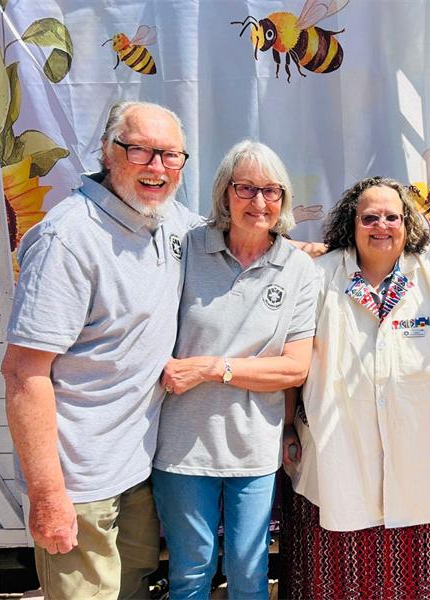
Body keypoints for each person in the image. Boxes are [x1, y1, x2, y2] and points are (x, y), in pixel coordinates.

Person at [1, 101, 198, 599]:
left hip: (136, 469)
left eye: (170, 156)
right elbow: (25, 373)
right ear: (109, 154)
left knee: (131, 589)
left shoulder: (167, 218)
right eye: (141, 151)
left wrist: (325, 256)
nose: (157, 168)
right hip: (78, 484)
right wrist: (48, 497)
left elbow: (241, 241)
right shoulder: (68, 240)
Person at [280, 176, 430, 599]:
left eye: (392, 216)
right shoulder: (320, 277)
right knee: (346, 538)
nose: (381, 225)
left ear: (407, 223)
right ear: (352, 222)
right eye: (370, 217)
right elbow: (293, 357)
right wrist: (289, 425)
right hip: (342, 449)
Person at [151, 140, 317, 599]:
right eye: (245, 189)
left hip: (253, 449)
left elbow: (293, 369)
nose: (259, 202)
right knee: (190, 573)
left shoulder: (298, 268)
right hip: (183, 446)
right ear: (225, 193)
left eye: (271, 191)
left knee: (250, 575)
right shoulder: (186, 249)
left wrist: (211, 368)